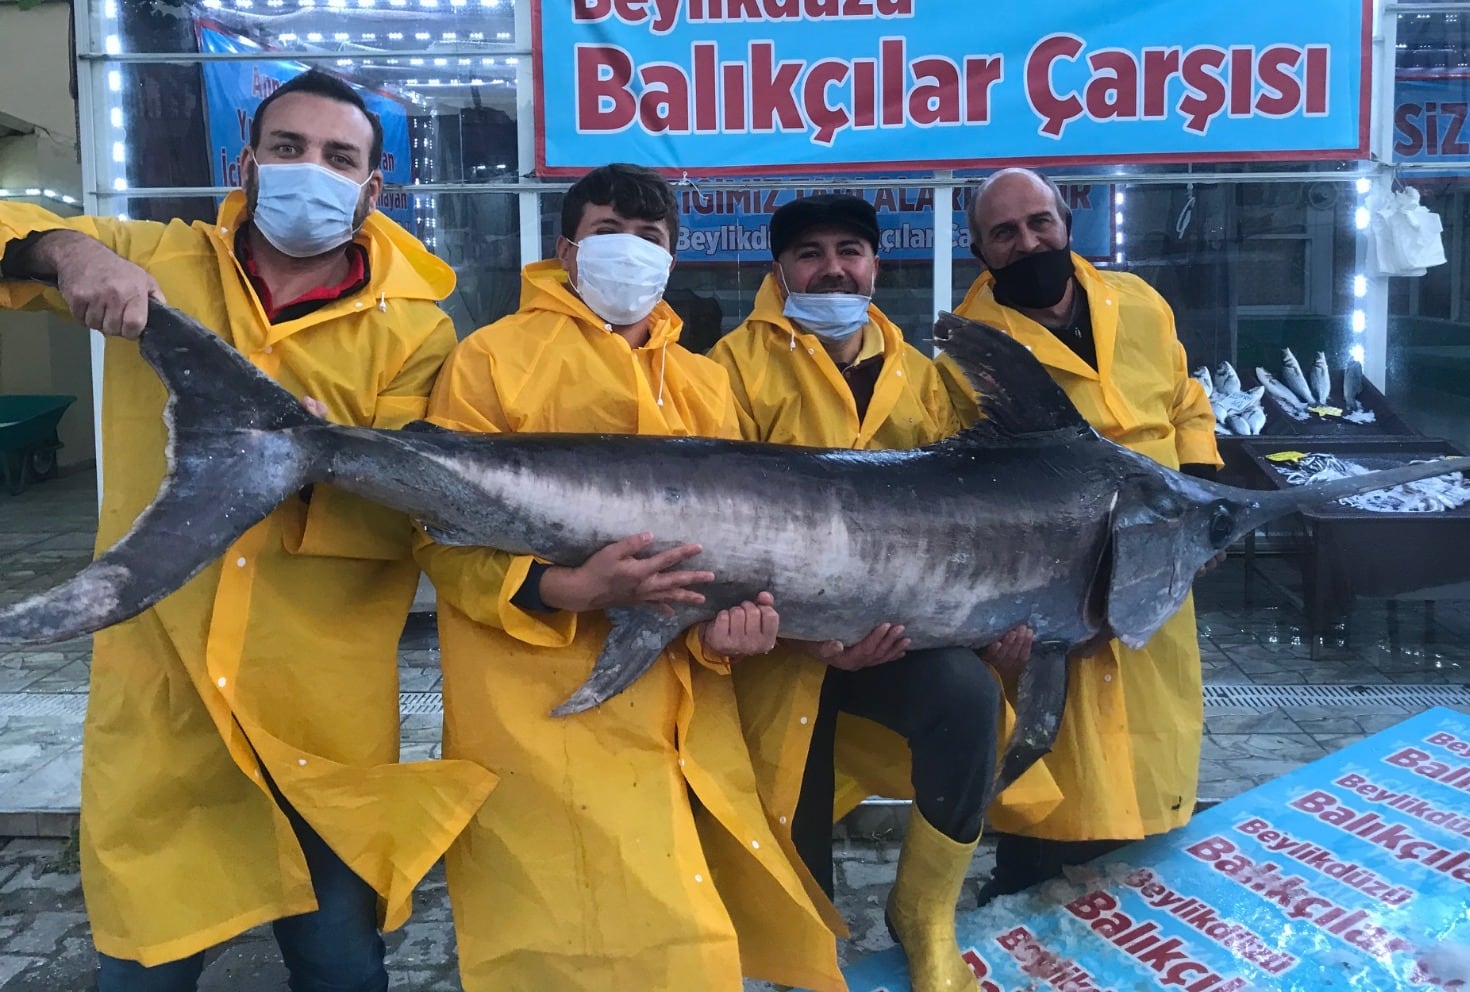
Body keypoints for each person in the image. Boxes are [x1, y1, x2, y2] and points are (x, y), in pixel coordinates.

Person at [0, 68, 496, 990]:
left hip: (321, 715)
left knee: (342, 965)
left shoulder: (419, 334)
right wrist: (70, 252)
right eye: (288, 147)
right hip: (166, 706)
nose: (311, 167)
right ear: (248, 163)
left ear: (372, 187)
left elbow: (413, 518)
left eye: (338, 156)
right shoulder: (156, 254)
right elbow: (3, 222)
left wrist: (322, 461)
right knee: (144, 964)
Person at [414, 163, 843, 992]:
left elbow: (735, 558)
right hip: (540, 715)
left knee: (692, 947)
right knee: (576, 948)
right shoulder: (490, 360)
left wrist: (728, 637)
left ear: (674, 258)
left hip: (685, 717)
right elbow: (437, 535)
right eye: (610, 232)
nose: (631, 252)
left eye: (651, 238)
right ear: (566, 248)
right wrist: (563, 590)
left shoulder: (705, 382)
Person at [709, 194, 1054, 992]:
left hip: (892, 638)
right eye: (810, 253)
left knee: (968, 699)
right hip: (771, 644)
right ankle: (805, 950)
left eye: (850, 251)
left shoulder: (929, 378)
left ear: (874, 265)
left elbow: (964, 520)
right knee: (796, 781)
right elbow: (717, 525)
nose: (833, 267)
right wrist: (810, 634)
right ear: (779, 270)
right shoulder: (727, 368)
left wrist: (978, 622)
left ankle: (924, 916)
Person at [941, 167, 1222, 902]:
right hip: (1049, 593)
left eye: (1040, 223)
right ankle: (1025, 909)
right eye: (1005, 232)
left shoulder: (1140, 304)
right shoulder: (968, 353)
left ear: (1068, 224)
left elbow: (1189, 399)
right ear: (979, 250)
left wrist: (1197, 487)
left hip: (1154, 577)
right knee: (1051, 811)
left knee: (1151, 804)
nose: (1028, 240)